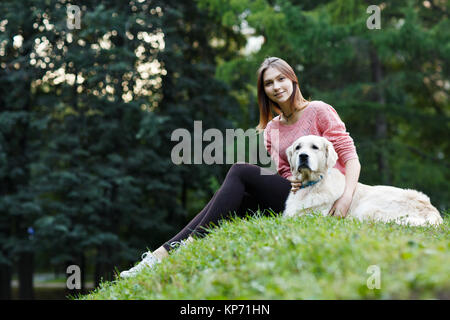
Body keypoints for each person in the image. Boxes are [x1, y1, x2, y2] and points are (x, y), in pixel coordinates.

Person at [119, 57, 361, 278]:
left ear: (293, 81)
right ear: (263, 90)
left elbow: (350, 156)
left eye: (281, 79)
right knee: (232, 197)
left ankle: (189, 244)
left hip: (328, 192)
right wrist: (292, 180)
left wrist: (347, 196)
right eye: (269, 83)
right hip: (296, 195)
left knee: (240, 170)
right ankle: (157, 257)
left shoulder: (318, 110)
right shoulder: (272, 129)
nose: (277, 87)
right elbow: (286, 172)